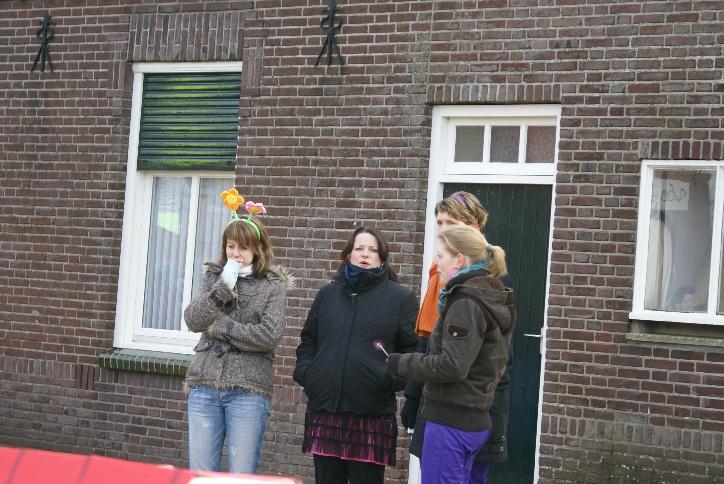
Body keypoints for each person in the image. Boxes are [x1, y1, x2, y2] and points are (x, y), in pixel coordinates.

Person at [386, 224, 516, 484]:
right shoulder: (487, 295)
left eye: (440, 255)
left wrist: (400, 362)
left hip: (451, 423)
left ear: (459, 259)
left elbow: (452, 366)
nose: (436, 263)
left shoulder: (465, 302)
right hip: (474, 419)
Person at [293, 227, 419, 484]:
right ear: (348, 254)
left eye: (373, 250)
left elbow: (413, 350)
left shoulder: (401, 298)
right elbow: (308, 340)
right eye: (359, 248)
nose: (365, 254)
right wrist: (308, 373)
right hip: (326, 409)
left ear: (382, 258)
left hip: (370, 415)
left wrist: (387, 380)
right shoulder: (327, 294)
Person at [184, 188, 290, 473]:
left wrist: (220, 326)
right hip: (204, 385)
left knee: (241, 474)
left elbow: (269, 336)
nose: (235, 253)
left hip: (248, 391)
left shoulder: (273, 285)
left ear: (257, 249)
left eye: (242, 247)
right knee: (201, 474)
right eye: (231, 246)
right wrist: (223, 287)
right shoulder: (214, 276)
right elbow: (193, 320)